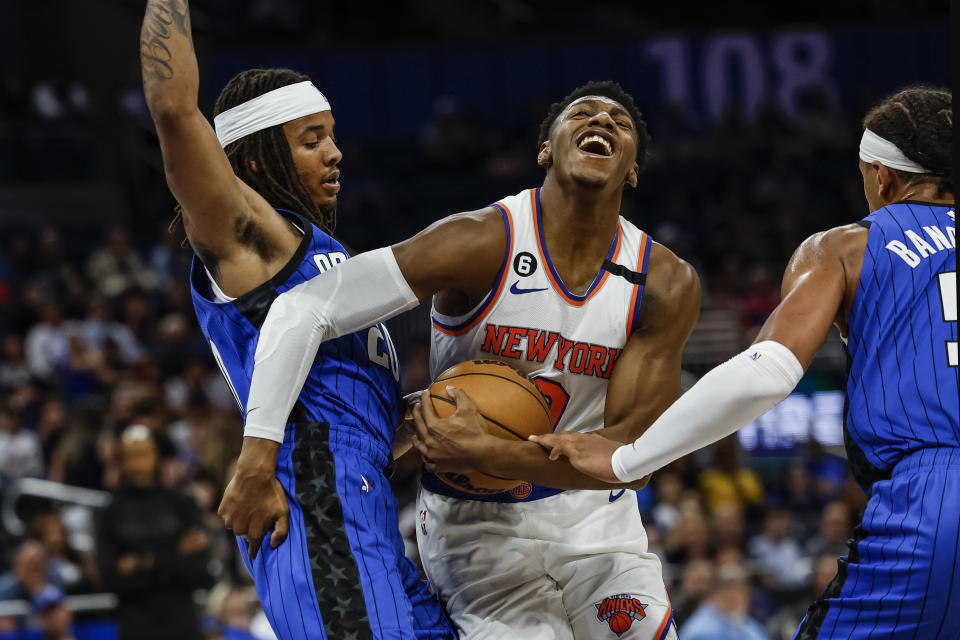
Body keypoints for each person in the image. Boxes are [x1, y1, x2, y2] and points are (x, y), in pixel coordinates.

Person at [241, 80, 701, 639]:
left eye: (620, 122)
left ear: (632, 170)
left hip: (593, 519)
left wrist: (491, 450)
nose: (602, 121)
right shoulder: (480, 241)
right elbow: (303, 308)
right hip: (472, 525)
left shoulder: (664, 282)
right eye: (582, 113)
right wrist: (257, 455)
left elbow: (635, 454)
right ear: (545, 149)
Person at [530, 86, 958, 638]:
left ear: (882, 177)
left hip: (935, 500)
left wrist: (628, 459)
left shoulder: (846, 247)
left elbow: (768, 369)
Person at [137, 2, 454, 638]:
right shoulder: (251, 238)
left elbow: (346, 405)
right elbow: (174, 111)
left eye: (332, 135)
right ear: (254, 161)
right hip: (311, 499)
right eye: (311, 141)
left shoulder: (327, 257)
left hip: (364, 506)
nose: (335, 153)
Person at [96, 425, 213, 640]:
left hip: (183, 624)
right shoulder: (110, 514)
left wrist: (140, 563)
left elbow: (199, 571)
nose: (138, 464)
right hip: (137, 627)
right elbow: (110, 579)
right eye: (131, 456)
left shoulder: (183, 505)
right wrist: (175, 553)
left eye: (144, 454)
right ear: (121, 462)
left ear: (157, 457)